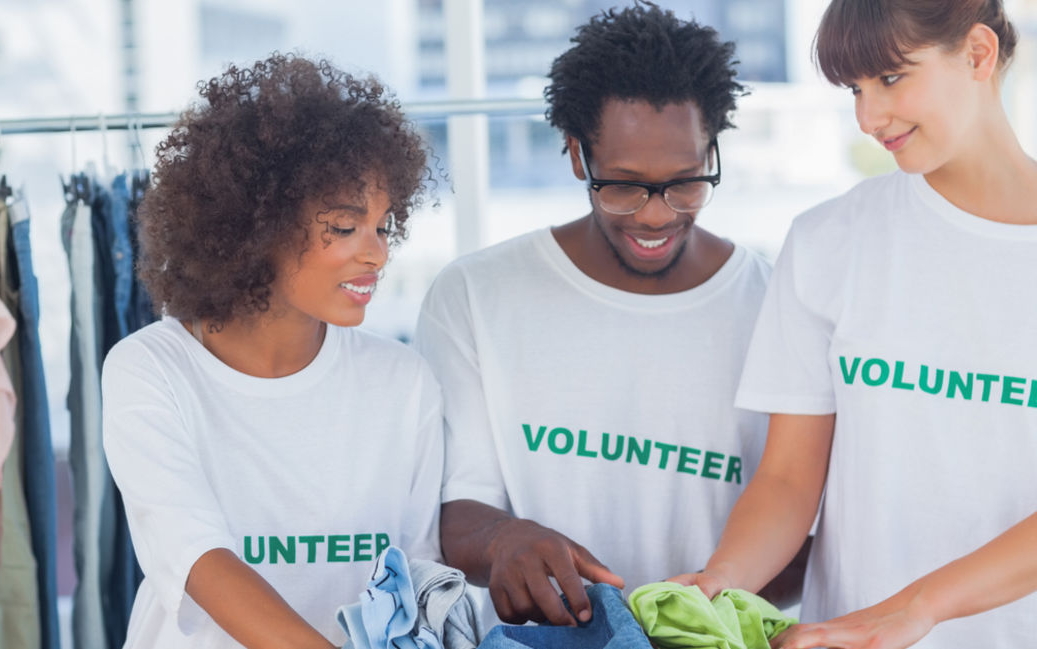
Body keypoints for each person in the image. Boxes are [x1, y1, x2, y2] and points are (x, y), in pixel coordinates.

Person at [670, 1, 1037, 648]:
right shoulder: (827, 242)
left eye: (891, 79)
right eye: (854, 90)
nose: (868, 117)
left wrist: (919, 606)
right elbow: (787, 479)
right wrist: (719, 584)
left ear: (978, 54)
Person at [413, 1, 789, 628]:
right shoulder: (475, 295)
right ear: (576, 155)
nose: (655, 215)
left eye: (686, 182)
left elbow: (798, 517)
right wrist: (506, 541)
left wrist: (696, 615)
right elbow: (454, 511)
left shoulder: (772, 302)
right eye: (622, 185)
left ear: (712, 150)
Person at [101, 54, 443, 649]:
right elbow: (199, 559)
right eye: (344, 226)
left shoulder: (404, 384)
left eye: (383, 227)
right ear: (256, 224)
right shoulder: (150, 370)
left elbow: (415, 585)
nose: (378, 254)